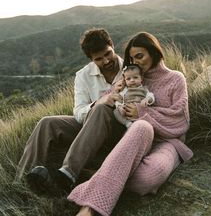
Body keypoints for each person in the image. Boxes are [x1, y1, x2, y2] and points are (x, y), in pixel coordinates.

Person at [67, 31, 193, 216]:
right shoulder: (131, 77)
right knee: (142, 127)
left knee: (146, 179)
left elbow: (179, 120)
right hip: (135, 139)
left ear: (153, 52)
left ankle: (100, 175)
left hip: (167, 142)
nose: (136, 62)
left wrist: (143, 112)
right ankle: (90, 208)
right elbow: (108, 101)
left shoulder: (176, 78)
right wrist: (112, 92)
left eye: (140, 56)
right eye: (132, 58)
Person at [16, 28, 125, 194]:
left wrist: (105, 106)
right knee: (47, 123)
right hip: (91, 129)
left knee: (103, 110)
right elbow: (79, 112)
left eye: (108, 54)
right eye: (99, 59)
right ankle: (23, 182)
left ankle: (67, 174)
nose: (106, 61)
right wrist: (98, 102)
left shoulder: (130, 70)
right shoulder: (83, 75)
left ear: (112, 45)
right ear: (91, 59)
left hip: (119, 130)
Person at [113, 64, 155, 128]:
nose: (132, 80)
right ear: (125, 80)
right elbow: (119, 99)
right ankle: (127, 123)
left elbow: (151, 96)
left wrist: (147, 99)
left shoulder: (144, 89)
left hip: (139, 113)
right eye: (128, 79)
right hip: (126, 112)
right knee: (115, 112)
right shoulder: (124, 91)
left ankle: (139, 125)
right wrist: (119, 106)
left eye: (135, 77)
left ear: (141, 78)